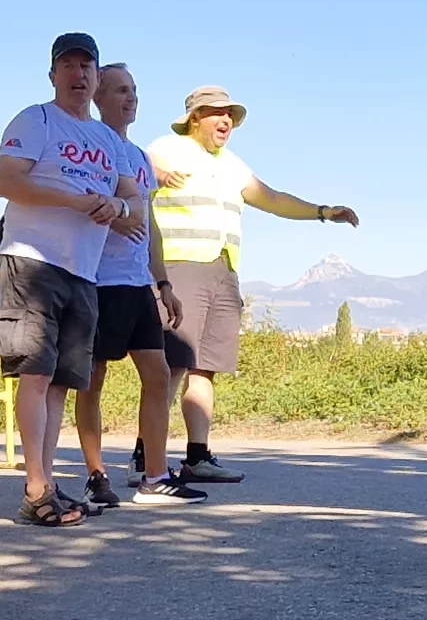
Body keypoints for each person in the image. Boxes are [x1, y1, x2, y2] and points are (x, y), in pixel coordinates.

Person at [147, 86, 357, 484]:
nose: (226, 120)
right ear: (195, 117)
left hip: (223, 270)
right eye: (218, 113)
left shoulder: (231, 165)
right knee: (172, 366)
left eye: (231, 115)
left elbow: (272, 199)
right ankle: (146, 457)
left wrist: (322, 212)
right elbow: (136, 177)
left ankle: (197, 457)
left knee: (205, 368)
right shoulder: (166, 148)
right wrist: (155, 174)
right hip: (179, 267)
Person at [0, 32, 131, 528]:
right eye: (68, 65)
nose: (78, 74)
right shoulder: (36, 120)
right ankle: (35, 488)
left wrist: (117, 206)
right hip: (33, 262)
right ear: (53, 75)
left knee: (59, 386)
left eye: (86, 66)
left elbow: (136, 205)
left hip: (83, 272)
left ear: (96, 77)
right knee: (35, 374)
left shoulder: (108, 141)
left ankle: (46, 484)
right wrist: (73, 200)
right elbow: (5, 181)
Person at [70, 63, 205, 506]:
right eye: (120, 91)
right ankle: (96, 476)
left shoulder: (141, 158)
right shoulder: (90, 145)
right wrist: (117, 216)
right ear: (98, 97)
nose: (130, 99)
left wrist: (163, 282)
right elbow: (82, 204)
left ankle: (154, 477)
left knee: (159, 373)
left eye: (134, 91)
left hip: (137, 283)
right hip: (99, 281)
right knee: (92, 380)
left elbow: (149, 224)